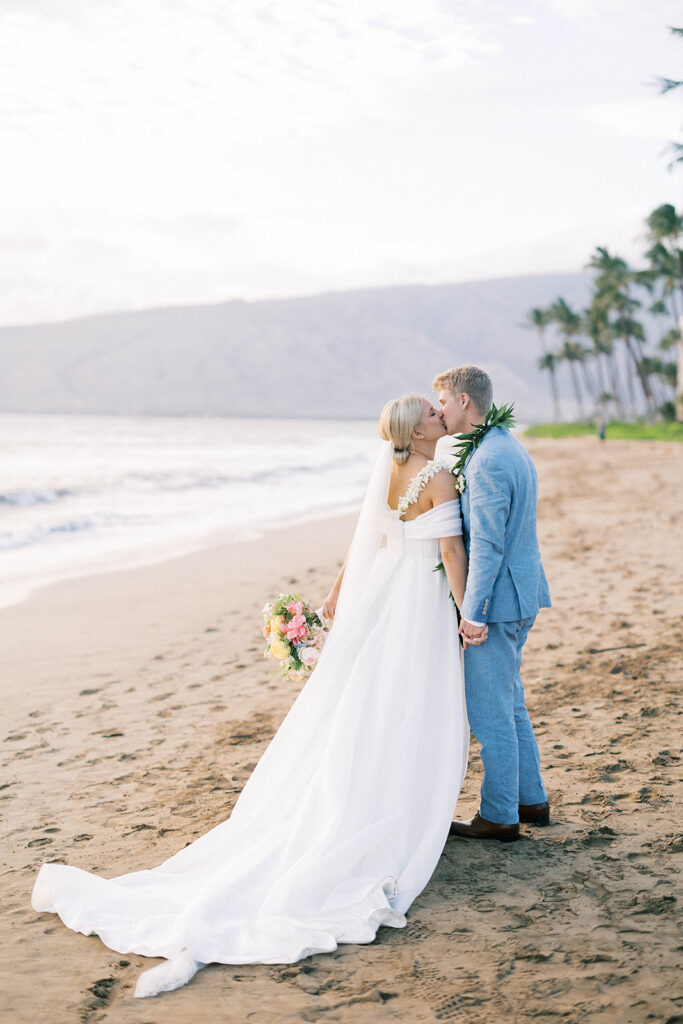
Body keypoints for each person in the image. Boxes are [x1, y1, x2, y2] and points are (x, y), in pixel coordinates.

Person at [31, 394, 473, 998]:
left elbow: (362, 547)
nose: (437, 416)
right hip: (416, 605)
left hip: (381, 603)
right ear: (417, 430)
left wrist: (335, 603)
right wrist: (468, 613)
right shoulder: (439, 474)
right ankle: (390, 805)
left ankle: (375, 794)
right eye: (429, 412)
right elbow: (450, 550)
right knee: (402, 706)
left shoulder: (390, 471)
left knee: (366, 707)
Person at [434, 366, 551, 843]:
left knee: (490, 713)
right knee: (511, 702)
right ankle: (532, 800)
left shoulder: (486, 461)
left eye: (441, 400)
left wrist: (473, 613)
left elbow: (487, 545)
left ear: (464, 400)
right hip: (521, 594)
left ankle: (500, 815)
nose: (438, 410)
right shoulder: (507, 446)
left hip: (498, 603)